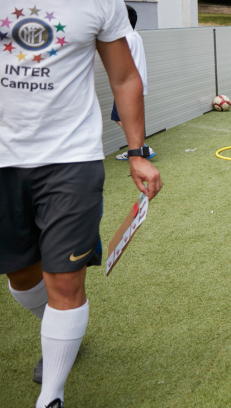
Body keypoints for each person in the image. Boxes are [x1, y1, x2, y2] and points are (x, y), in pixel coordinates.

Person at [1, 0, 163, 407]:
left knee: (66, 279)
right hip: (4, 159)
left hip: (71, 158)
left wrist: (138, 151)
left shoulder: (101, 2)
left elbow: (125, 77)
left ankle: (50, 397)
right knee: (21, 276)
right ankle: (59, 330)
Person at [114, 6, 155, 161]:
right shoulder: (135, 35)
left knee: (120, 117)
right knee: (129, 118)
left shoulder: (126, 39)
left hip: (129, 86)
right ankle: (136, 148)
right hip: (137, 84)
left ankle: (142, 147)